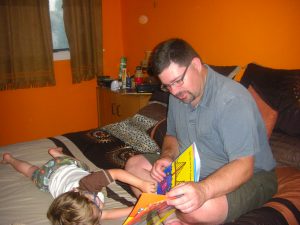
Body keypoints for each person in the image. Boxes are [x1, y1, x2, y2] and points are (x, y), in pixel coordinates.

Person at [125, 38, 277, 225]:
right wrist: (167, 157)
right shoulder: (178, 94)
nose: (174, 91)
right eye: (167, 86)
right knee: (133, 167)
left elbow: (244, 166)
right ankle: (171, 220)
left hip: (250, 175)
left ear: (196, 64)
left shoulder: (232, 99)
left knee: (199, 210)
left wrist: (203, 191)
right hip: (193, 166)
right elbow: (172, 135)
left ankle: (169, 211)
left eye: (177, 81)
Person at [1, 148, 156, 225]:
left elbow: (116, 173)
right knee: (30, 171)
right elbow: (107, 215)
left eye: (95, 203)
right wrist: (143, 208)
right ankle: (10, 159)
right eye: (98, 208)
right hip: (51, 179)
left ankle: (56, 154)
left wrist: (141, 183)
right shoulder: (87, 214)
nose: (100, 205)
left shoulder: (87, 184)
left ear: (80, 193)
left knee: (83, 166)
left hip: (63, 167)